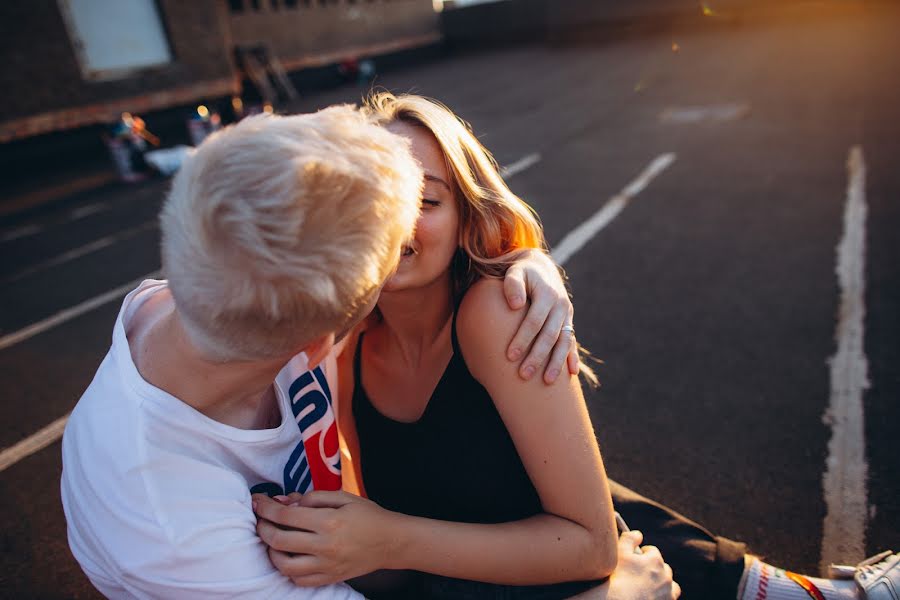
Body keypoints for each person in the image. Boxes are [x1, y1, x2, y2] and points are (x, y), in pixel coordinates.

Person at [252, 94, 899, 600]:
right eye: (373, 197)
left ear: (463, 216)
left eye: (425, 199)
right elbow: (390, 561)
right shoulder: (343, 355)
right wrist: (320, 544)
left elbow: (591, 548)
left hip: (642, 580)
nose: (396, 219)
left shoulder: (493, 313)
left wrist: (387, 539)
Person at [59, 104, 677, 600]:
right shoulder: (167, 528)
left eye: (427, 202)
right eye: (388, 226)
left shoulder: (243, 289)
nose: (403, 229)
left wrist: (526, 260)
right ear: (328, 332)